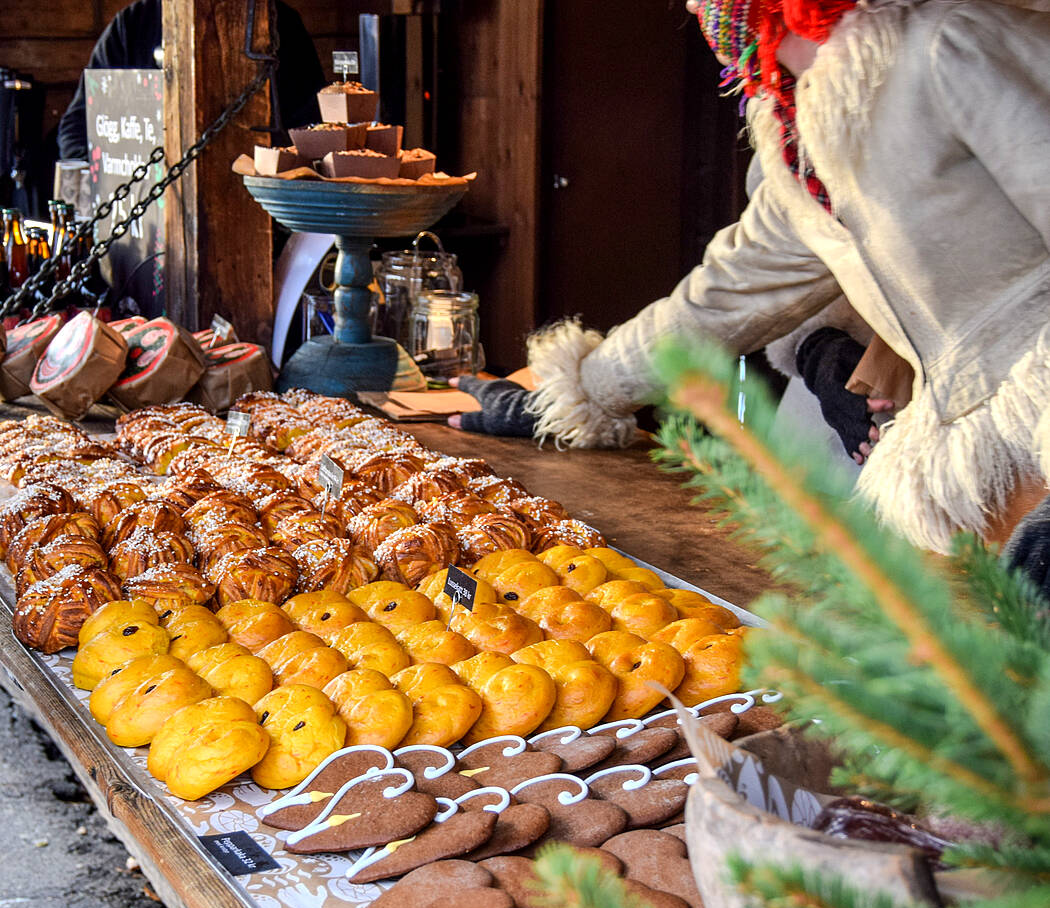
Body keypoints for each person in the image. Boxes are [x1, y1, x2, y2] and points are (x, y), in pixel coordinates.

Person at [466, 0, 1050, 560]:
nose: (695, 6)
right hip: (988, 488)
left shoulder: (951, 46)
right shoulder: (800, 142)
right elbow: (724, 296)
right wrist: (579, 393)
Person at [58, 0, 324, 161]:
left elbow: (313, 128)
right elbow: (77, 128)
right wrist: (112, 175)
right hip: (147, 214)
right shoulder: (131, 26)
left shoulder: (279, 25)